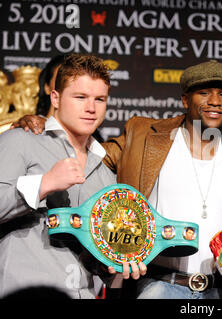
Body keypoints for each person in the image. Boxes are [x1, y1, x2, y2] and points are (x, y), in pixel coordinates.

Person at [14, 59, 222, 299]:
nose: (214, 101)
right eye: (204, 93)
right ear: (185, 100)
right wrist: (46, 127)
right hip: (159, 284)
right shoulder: (143, 135)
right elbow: (87, 156)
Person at [0, 53, 145, 299]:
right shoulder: (19, 140)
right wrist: (44, 184)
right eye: (80, 97)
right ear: (55, 98)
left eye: (100, 99)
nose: (91, 108)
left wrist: (113, 266)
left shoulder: (106, 176)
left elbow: (96, 259)